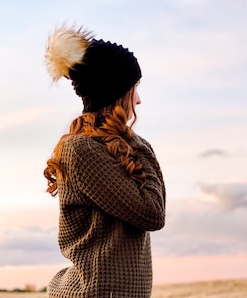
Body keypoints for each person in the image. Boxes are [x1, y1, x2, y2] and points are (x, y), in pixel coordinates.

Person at [43, 25, 166, 298]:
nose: (139, 100)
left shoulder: (109, 149)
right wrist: (137, 142)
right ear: (116, 94)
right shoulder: (81, 151)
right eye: (134, 89)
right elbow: (153, 213)